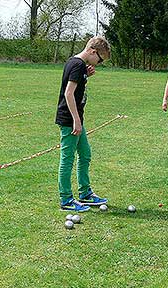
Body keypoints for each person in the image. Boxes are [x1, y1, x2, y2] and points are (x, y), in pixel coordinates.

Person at [55, 36, 111, 212]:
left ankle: (85, 193)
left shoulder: (77, 64)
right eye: (100, 59)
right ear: (93, 52)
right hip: (70, 120)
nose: (99, 63)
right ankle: (66, 200)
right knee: (67, 159)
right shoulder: (77, 65)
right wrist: (76, 121)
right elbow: (69, 94)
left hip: (76, 118)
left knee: (85, 154)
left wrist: (86, 75)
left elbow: (76, 85)